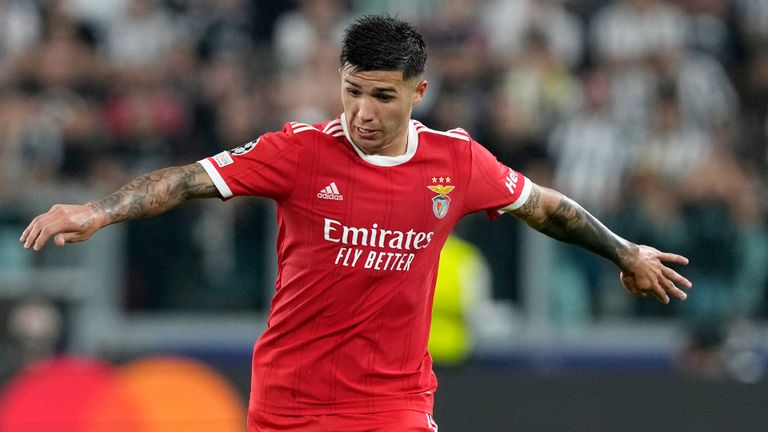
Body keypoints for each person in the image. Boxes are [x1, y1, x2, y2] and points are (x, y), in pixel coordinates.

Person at [20, 15, 692, 432]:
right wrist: (97, 211)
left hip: (392, 404)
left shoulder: (455, 162)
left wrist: (624, 250)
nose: (362, 112)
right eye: (351, 90)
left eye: (381, 96)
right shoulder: (299, 152)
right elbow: (186, 179)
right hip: (290, 403)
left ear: (416, 93)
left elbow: (547, 206)